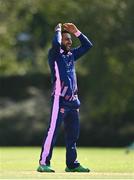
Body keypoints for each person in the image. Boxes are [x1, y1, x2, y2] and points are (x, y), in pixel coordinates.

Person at [37, 23, 93, 173]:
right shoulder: (54, 54)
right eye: (66, 39)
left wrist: (77, 32)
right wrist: (58, 30)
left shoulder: (71, 55)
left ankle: (72, 164)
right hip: (59, 99)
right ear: (60, 40)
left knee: (73, 135)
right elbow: (55, 43)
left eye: (70, 39)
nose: (69, 41)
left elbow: (88, 46)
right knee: (52, 131)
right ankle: (43, 163)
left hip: (73, 102)